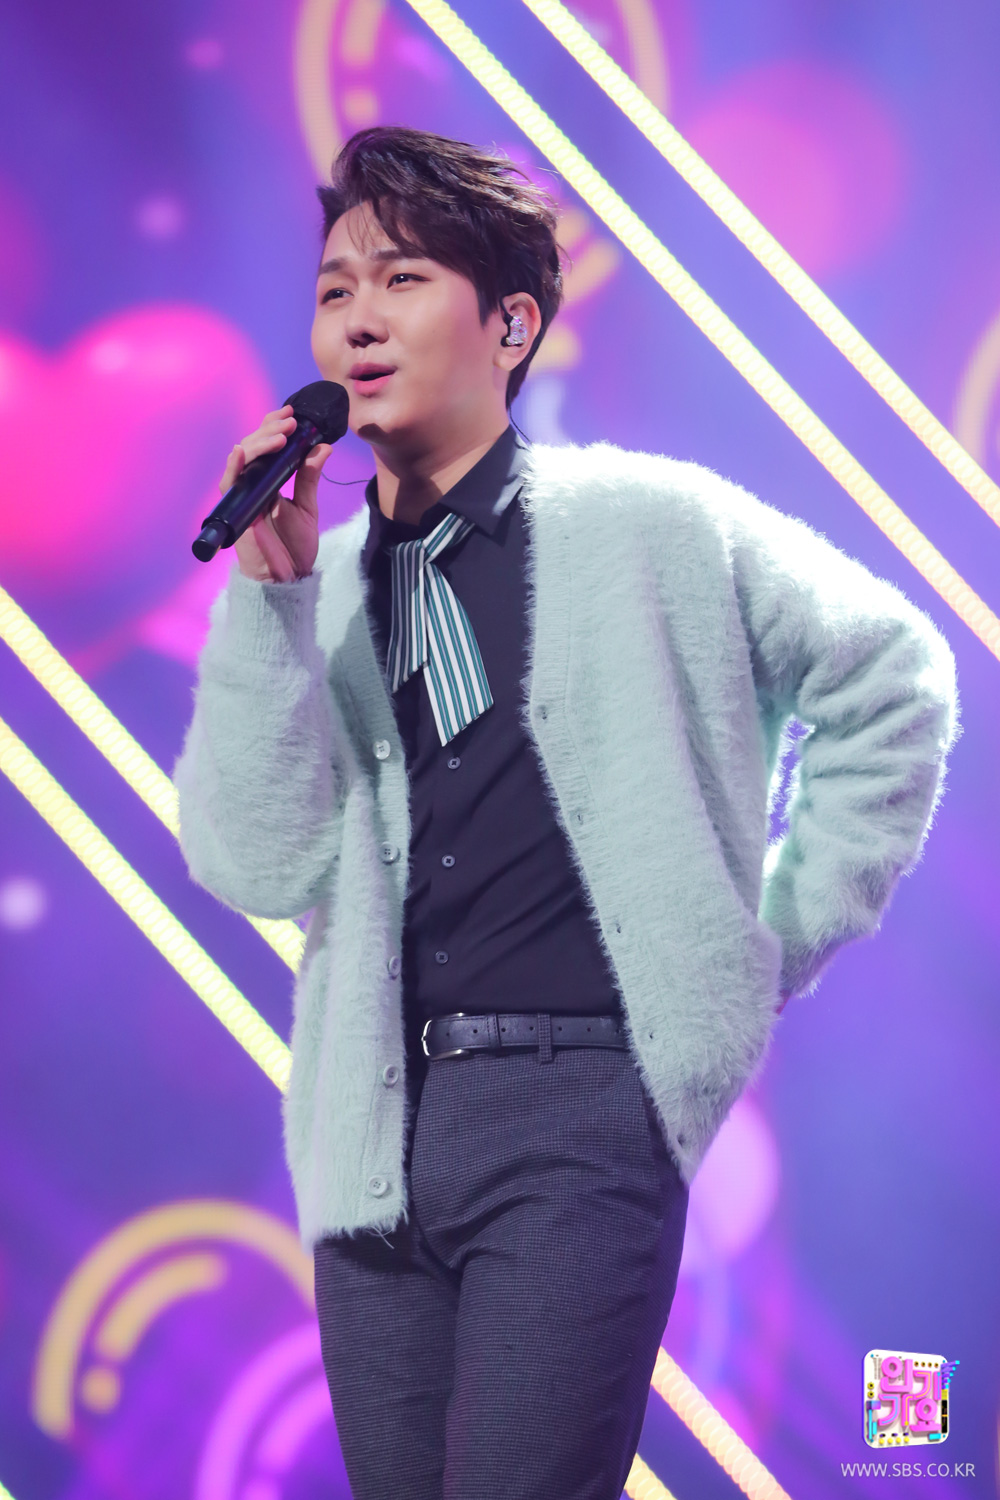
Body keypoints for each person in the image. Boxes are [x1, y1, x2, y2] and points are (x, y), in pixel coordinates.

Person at [172, 125, 960, 1499]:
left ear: (512, 323)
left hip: (579, 1114)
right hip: (372, 1141)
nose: (358, 317)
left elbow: (895, 674)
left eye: (402, 278)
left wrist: (768, 939)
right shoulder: (324, 585)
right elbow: (253, 858)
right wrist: (271, 605)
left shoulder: (650, 525)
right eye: (336, 287)